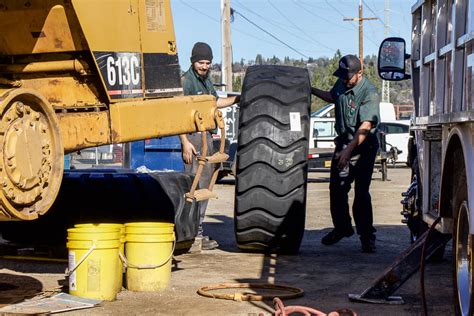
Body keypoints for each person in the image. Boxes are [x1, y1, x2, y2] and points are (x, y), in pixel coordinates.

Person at [311, 54, 380, 253]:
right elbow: (332, 96)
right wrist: (311, 89)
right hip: (344, 143)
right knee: (337, 189)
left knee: (361, 194)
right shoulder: (342, 84)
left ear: (360, 73)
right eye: (342, 76)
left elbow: (366, 127)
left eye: (348, 77)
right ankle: (342, 228)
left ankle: (367, 237)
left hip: (363, 146)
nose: (344, 80)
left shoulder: (369, 92)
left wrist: (348, 153)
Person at [180, 42, 239, 251]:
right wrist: (185, 142)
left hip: (206, 138)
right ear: (193, 61)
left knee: (204, 187)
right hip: (194, 140)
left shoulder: (206, 82)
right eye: (201, 62)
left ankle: (198, 230)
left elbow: (215, 103)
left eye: (207, 63)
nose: (204, 66)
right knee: (193, 186)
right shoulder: (186, 82)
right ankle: (191, 233)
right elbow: (179, 113)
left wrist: (237, 99)